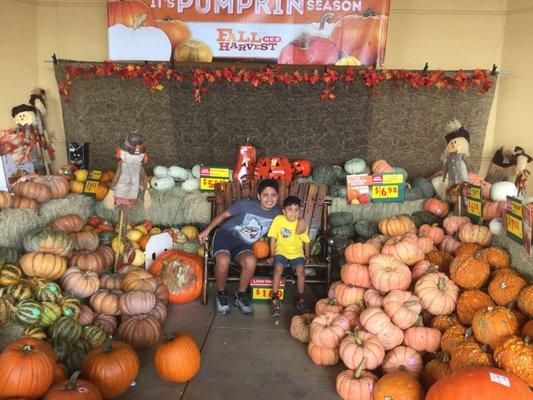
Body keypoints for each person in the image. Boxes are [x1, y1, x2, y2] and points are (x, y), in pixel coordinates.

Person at [198, 179, 281, 315]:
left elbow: (292, 219)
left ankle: (240, 295)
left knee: (251, 261)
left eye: (273, 195)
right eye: (265, 195)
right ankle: (221, 294)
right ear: (259, 196)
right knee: (223, 260)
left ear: (277, 197)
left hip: (243, 243)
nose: (269, 199)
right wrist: (207, 230)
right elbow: (224, 215)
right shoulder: (246, 204)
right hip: (226, 235)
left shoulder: (278, 213)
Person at [267, 196, 310, 317]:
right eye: (290, 209)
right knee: (278, 268)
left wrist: (307, 255)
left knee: (301, 271)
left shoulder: (300, 224)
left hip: (297, 253)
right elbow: (273, 238)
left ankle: (301, 298)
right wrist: (272, 255)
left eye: (296, 210)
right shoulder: (279, 220)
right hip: (281, 251)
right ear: (284, 211)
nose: (293, 213)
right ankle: (275, 297)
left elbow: (306, 241)